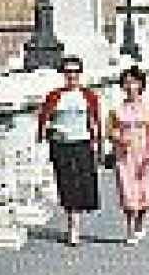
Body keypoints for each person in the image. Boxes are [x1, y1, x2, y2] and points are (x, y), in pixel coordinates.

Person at [36, 55, 103, 245]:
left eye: (75, 72)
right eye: (68, 72)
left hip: (82, 143)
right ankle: (73, 227)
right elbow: (44, 119)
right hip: (61, 144)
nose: (71, 75)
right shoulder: (54, 95)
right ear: (63, 74)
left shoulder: (88, 95)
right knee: (66, 183)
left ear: (80, 74)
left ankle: (75, 221)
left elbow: (95, 121)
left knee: (83, 183)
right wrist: (45, 136)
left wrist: (99, 146)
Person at [106, 65, 149, 245]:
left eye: (134, 82)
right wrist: (118, 138)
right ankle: (130, 229)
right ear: (122, 86)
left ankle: (140, 222)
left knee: (143, 192)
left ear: (140, 85)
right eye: (127, 83)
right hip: (124, 156)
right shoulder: (116, 111)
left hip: (142, 154)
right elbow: (109, 131)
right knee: (126, 192)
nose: (131, 86)